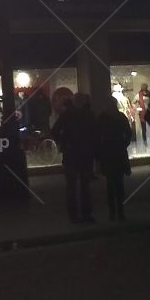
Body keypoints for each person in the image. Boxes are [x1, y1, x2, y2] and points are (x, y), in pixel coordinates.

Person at [52, 92, 98, 223]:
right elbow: (95, 133)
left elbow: (55, 131)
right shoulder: (88, 115)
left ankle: (75, 215)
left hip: (72, 154)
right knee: (83, 186)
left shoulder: (69, 114)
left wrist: (64, 142)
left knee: (73, 187)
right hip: (83, 154)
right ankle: (85, 214)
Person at [96, 102, 131, 221]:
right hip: (115, 152)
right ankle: (118, 211)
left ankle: (115, 212)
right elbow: (128, 133)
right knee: (116, 184)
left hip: (111, 153)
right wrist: (124, 143)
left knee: (113, 184)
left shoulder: (105, 118)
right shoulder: (118, 117)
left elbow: (128, 133)